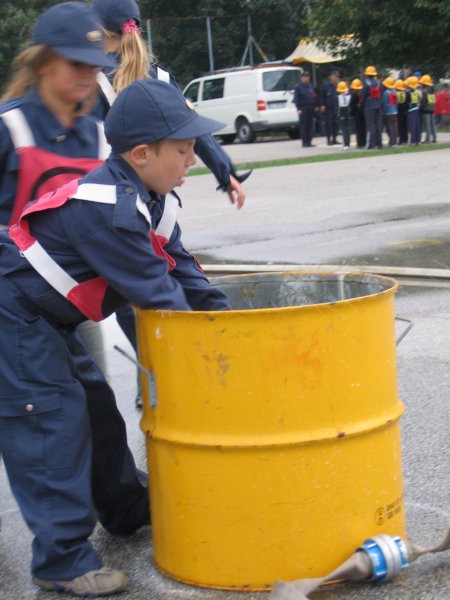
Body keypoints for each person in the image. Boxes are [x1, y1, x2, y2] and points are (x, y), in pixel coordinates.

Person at [0, 77, 231, 595]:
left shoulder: (154, 198)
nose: (193, 159)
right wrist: (213, 365)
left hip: (46, 318)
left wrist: (233, 329)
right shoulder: (108, 210)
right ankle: (61, 560)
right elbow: (160, 297)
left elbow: (186, 274)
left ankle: (125, 507)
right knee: (49, 422)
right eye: (185, 149)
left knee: (95, 407)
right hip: (11, 311)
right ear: (143, 154)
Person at [90, 0, 250, 406]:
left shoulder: (91, 82)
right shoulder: (161, 76)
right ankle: (170, 372)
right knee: (156, 277)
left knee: (137, 291)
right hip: (150, 197)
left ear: (99, 31)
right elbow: (195, 133)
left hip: (113, 195)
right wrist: (223, 171)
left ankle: (160, 376)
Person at [293, 71, 317, 147]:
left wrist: (316, 105)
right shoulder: (298, 87)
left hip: (311, 108)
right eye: (304, 77)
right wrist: (298, 109)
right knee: (304, 126)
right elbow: (296, 99)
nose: (306, 78)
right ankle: (304, 142)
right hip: (303, 109)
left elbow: (314, 95)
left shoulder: (310, 86)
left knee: (310, 126)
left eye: (307, 77)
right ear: (301, 78)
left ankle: (309, 141)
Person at [362, 65, 383, 149]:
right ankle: (379, 143)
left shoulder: (366, 83)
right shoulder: (378, 83)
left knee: (370, 125)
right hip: (378, 104)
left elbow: (363, 95)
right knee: (378, 125)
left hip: (369, 105)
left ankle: (371, 144)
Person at [320, 71, 339, 145]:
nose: (336, 78)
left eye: (337, 77)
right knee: (329, 124)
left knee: (335, 124)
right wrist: (322, 105)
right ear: (331, 77)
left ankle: (334, 139)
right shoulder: (325, 85)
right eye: (335, 77)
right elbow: (321, 96)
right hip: (328, 108)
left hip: (336, 107)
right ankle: (328, 139)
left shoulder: (338, 85)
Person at [419, 74, 437, 143]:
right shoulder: (432, 90)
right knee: (433, 124)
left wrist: (421, 108)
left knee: (427, 125)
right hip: (432, 108)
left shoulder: (425, 91)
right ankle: (434, 137)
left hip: (426, 109)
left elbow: (423, 102)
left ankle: (428, 139)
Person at [349, 78, 366, 148]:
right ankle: (364, 142)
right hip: (363, 113)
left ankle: (360, 143)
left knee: (358, 129)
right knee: (364, 129)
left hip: (357, 114)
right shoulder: (363, 94)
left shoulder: (353, 96)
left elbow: (352, 106)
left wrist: (351, 114)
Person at [382, 76, 398, 147]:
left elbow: (385, 104)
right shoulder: (394, 92)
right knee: (394, 127)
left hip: (388, 113)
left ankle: (392, 142)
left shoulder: (386, 93)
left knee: (389, 128)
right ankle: (395, 141)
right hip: (395, 111)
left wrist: (383, 112)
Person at [405, 76, 421, 145]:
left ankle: (413, 141)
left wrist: (405, 110)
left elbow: (406, 102)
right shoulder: (416, 92)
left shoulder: (407, 92)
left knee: (412, 126)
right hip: (417, 109)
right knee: (417, 125)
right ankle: (418, 140)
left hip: (410, 110)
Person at [336, 81, 351, 150]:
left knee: (344, 130)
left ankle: (346, 144)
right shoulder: (348, 95)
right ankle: (346, 143)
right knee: (346, 129)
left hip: (342, 113)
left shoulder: (339, 97)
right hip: (347, 113)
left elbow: (338, 107)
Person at [395, 79, 408, 145]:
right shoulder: (404, 93)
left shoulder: (396, 93)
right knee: (405, 126)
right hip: (404, 110)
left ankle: (401, 140)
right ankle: (405, 139)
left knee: (400, 126)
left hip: (398, 110)